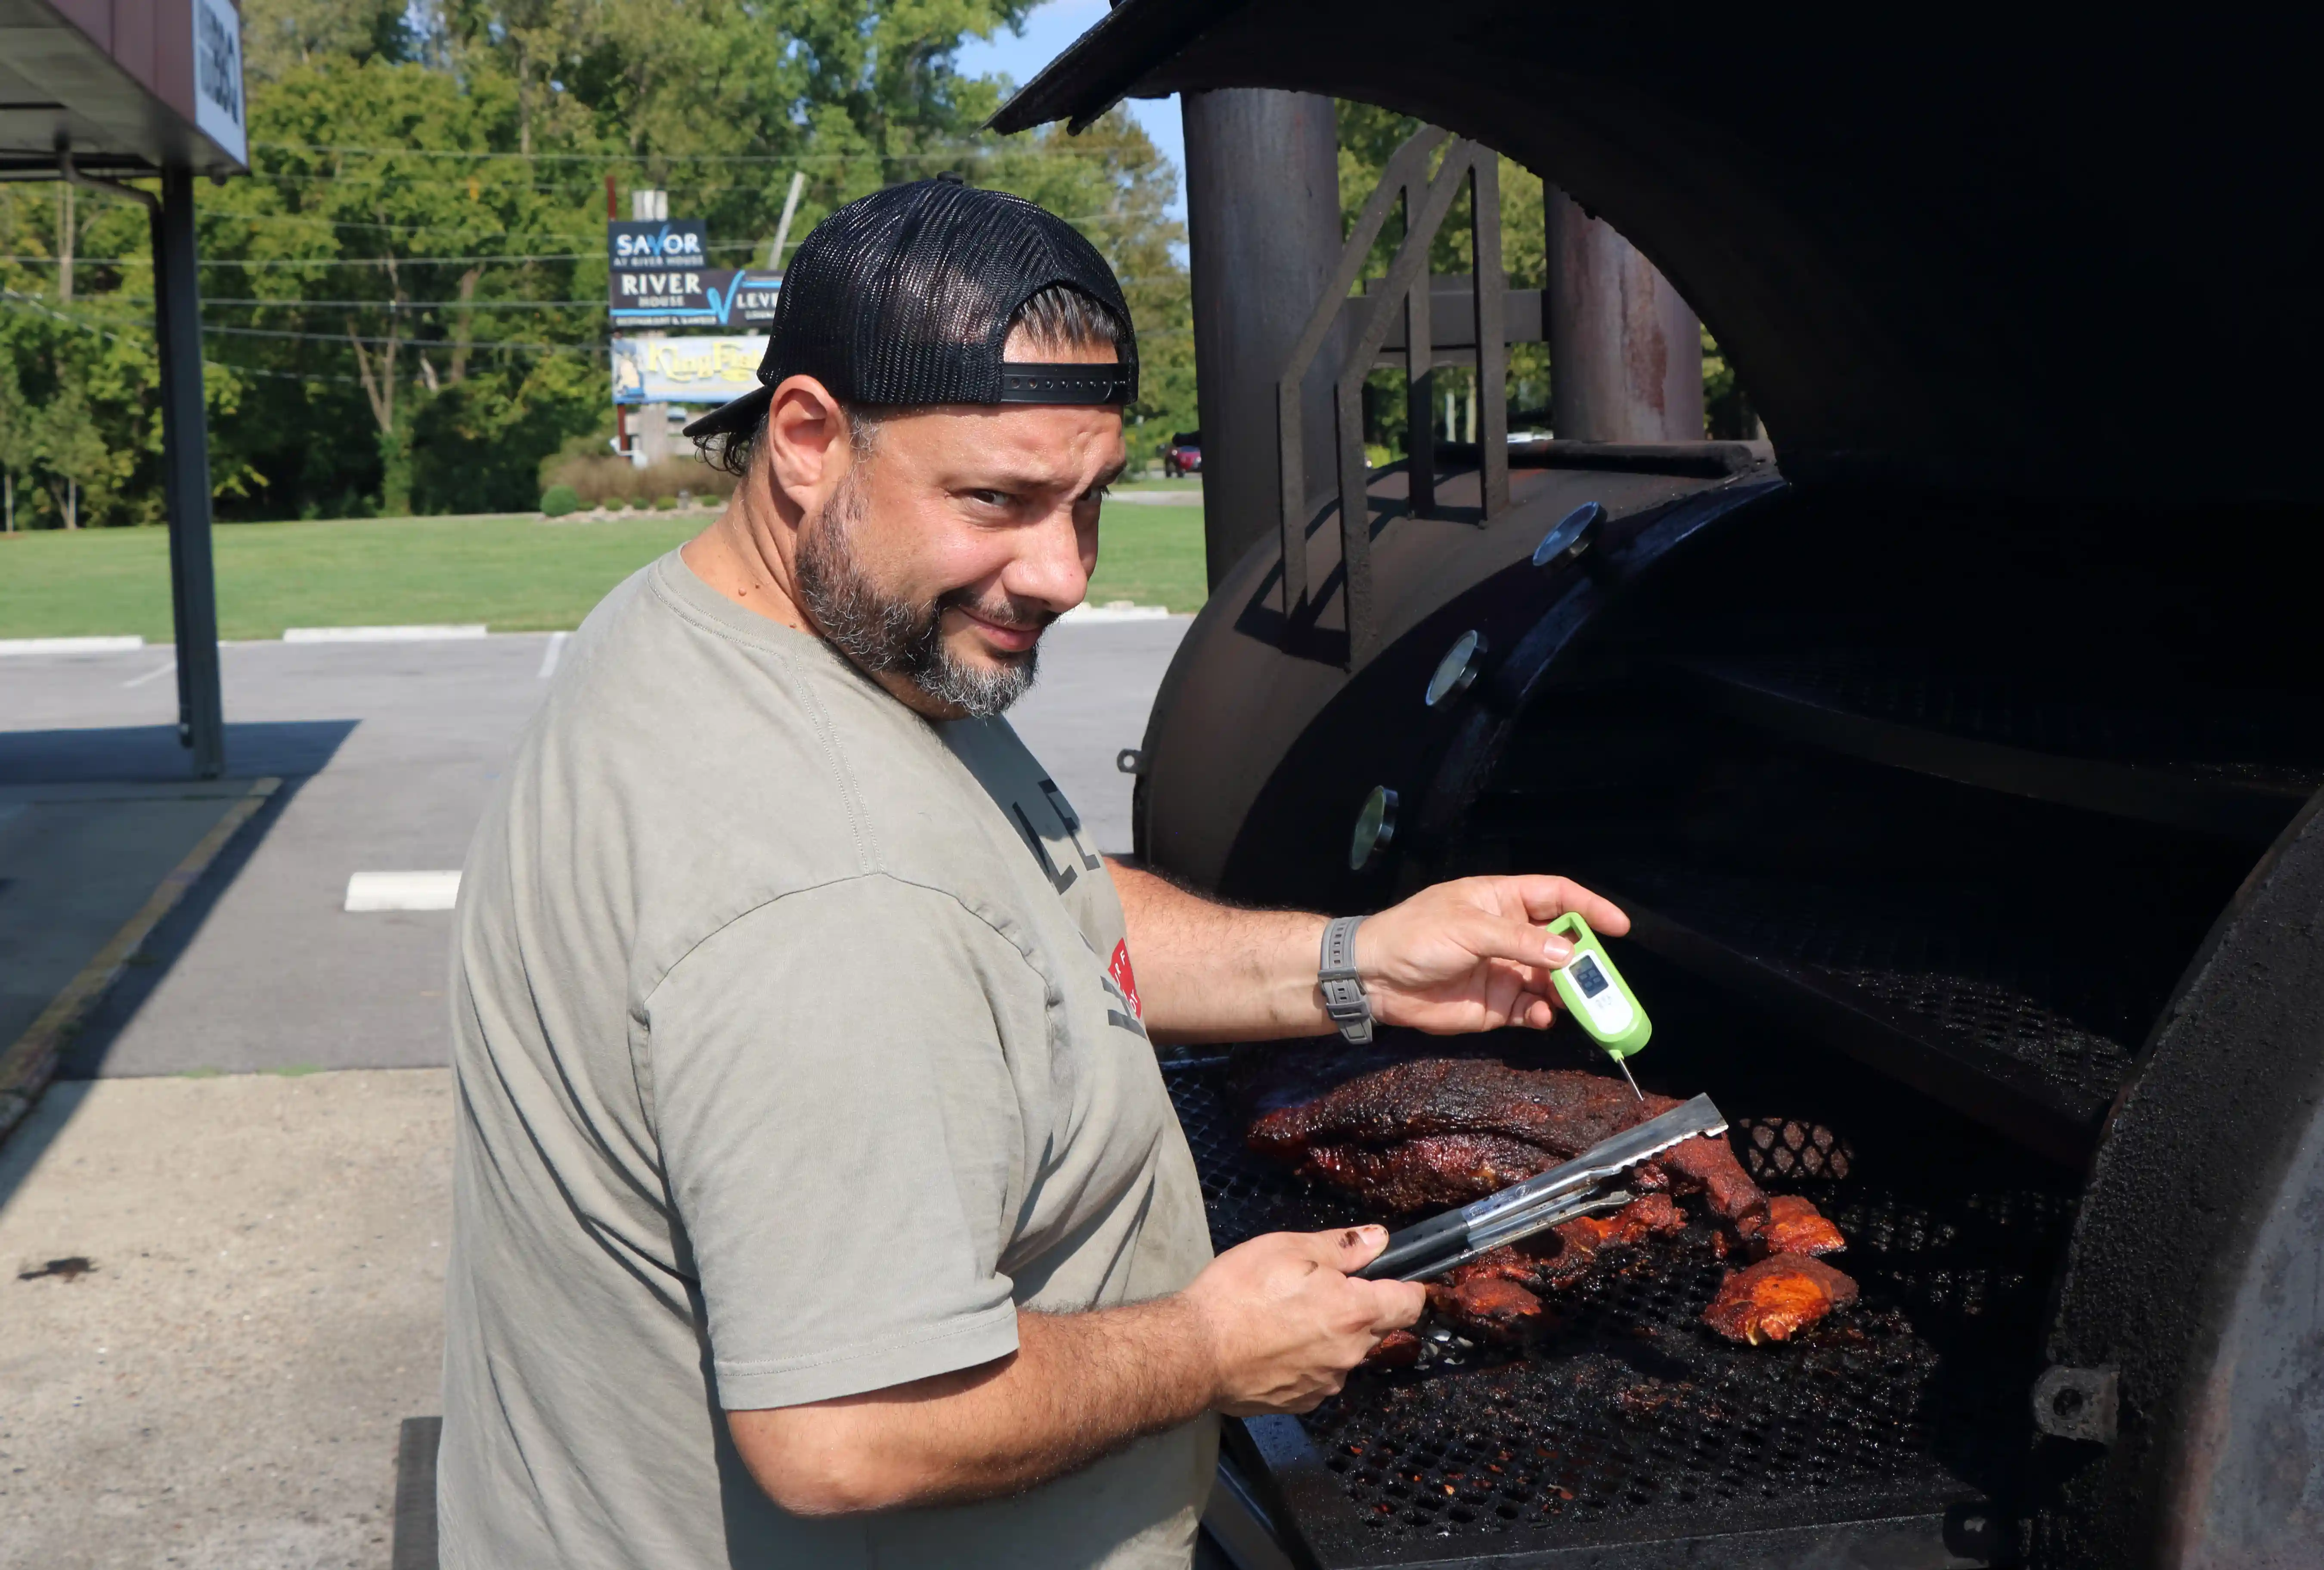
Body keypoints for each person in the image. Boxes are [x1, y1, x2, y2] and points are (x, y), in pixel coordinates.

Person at [437, 179, 1629, 1569]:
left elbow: (1026, 907)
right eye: (996, 499)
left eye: (1089, 497)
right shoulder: (827, 895)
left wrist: (1352, 960)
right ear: (809, 437)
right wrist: (1207, 1346)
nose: (1060, 571)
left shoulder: (745, 628)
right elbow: (847, 1430)